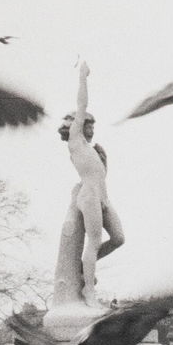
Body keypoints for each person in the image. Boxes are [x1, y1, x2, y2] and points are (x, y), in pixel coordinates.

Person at [55, 61, 125, 306]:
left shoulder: (92, 150)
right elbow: (82, 105)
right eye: (89, 126)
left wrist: (105, 164)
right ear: (79, 126)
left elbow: (100, 174)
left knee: (118, 238)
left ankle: (85, 270)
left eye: (94, 127)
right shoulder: (76, 142)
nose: (92, 130)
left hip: (103, 197)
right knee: (93, 242)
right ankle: (89, 291)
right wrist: (83, 77)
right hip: (89, 196)